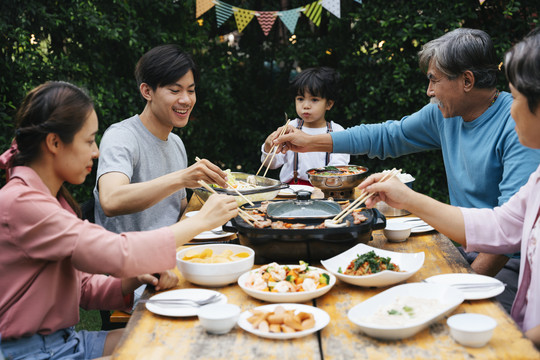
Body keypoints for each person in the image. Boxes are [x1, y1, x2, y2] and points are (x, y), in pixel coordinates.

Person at [269, 28, 540, 312]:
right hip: (468, 249)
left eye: (434, 80)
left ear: (467, 81)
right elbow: (388, 135)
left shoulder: (523, 131)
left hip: (513, 265)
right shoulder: (444, 115)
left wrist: (463, 285)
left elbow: (506, 238)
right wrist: (310, 142)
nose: (429, 91)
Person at [0, 81, 237, 359]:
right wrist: (199, 222)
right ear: (54, 142)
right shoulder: (22, 204)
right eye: (89, 140)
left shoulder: (49, 199)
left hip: (66, 343)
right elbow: (117, 252)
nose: (96, 152)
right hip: (32, 353)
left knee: (178, 339)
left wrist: (131, 281)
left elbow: (83, 287)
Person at [358, 27, 540, 347]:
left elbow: (501, 242)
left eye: (518, 98)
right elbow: (500, 226)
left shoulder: (511, 131)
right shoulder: (536, 182)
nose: (511, 108)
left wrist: (463, 288)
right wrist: (407, 198)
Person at [93, 45, 230, 303]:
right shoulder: (121, 137)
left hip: (175, 262)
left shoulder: (176, 143)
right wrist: (181, 178)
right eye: (175, 90)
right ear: (147, 91)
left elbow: (177, 212)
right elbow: (110, 201)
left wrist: (211, 207)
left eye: (191, 90)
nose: (186, 100)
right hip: (139, 277)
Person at [260, 67, 349, 185]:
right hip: (290, 191)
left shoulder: (337, 132)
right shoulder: (290, 127)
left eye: (314, 100)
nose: (306, 105)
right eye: (300, 99)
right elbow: (271, 164)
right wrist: (268, 147)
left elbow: (339, 168)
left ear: (328, 104)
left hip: (323, 190)